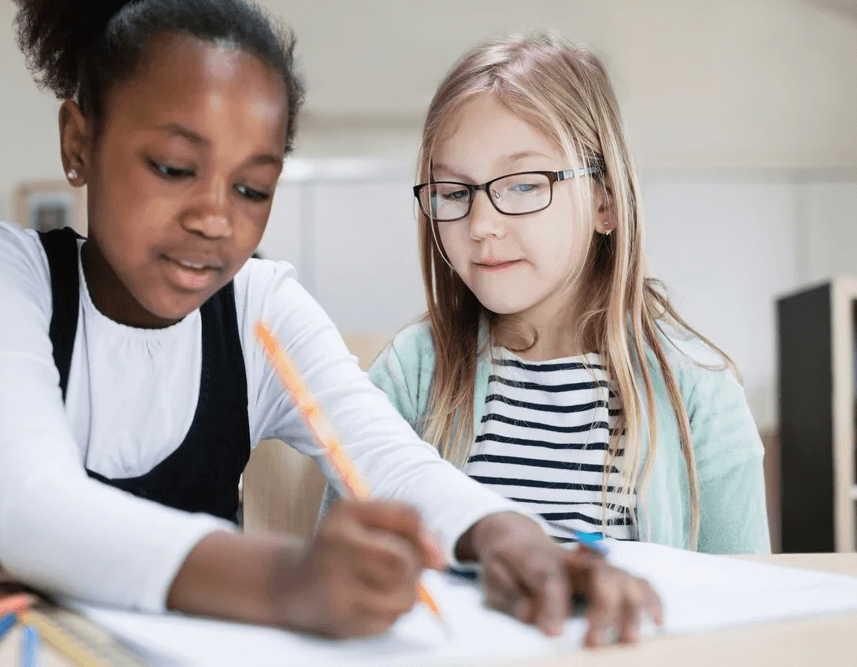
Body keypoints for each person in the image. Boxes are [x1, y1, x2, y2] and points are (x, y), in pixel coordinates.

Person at [0, 0, 660, 645]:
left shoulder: (261, 305)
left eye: (251, 187)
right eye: (172, 168)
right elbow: (31, 510)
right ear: (78, 143)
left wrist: (515, 538)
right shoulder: (5, 272)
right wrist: (285, 577)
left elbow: (393, 463)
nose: (215, 219)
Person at [323, 32, 770, 556]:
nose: (482, 224)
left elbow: (743, 602)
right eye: (454, 192)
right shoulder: (412, 374)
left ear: (605, 200)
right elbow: (342, 566)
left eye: (524, 184)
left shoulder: (699, 394)